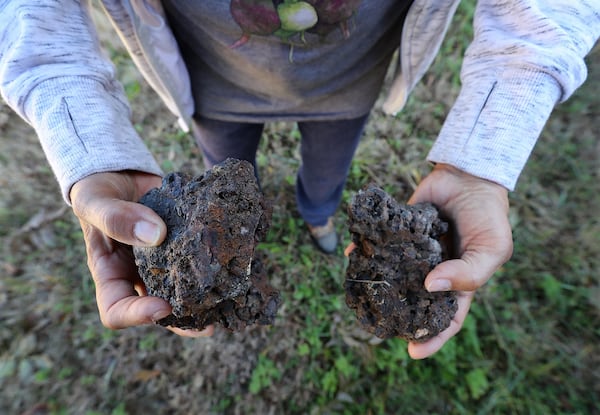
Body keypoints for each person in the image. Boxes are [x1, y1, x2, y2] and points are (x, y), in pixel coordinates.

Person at [1, 0, 598, 359]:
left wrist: (482, 158)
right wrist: (84, 141)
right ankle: (243, 228)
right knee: (230, 180)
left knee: (328, 174)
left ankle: (319, 215)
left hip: (348, 89)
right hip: (214, 91)